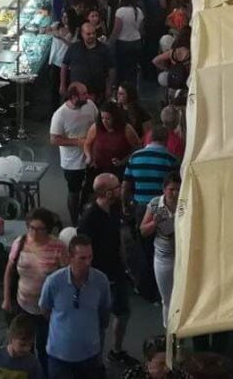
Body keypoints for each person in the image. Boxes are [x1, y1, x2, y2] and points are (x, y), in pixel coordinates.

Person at [77, 173, 135, 367]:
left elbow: (119, 236)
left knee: (123, 313)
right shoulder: (89, 218)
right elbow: (82, 252)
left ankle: (116, 351)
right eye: (118, 187)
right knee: (98, 322)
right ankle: (95, 359)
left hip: (116, 271)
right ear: (108, 193)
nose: (121, 189)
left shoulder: (116, 207)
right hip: (97, 275)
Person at [39, 234, 111, 379]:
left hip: (90, 354)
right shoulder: (54, 282)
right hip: (59, 355)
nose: (88, 262)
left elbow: (104, 313)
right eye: (82, 258)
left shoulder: (101, 281)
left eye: (90, 257)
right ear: (70, 257)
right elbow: (45, 309)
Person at [4, 207, 66, 373]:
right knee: (23, 347)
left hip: (47, 310)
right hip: (23, 304)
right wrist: (6, 298)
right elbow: (9, 271)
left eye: (40, 229)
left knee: (45, 347)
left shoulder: (58, 247)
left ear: (48, 229)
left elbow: (65, 279)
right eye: (31, 228)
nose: (34, 232)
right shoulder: (20, 242)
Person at [50, 82, 99, 226]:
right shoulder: (60, 115)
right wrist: (78, 142)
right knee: (74, 191)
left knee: (90, 188)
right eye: (83, 94)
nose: (87, 96)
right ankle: (74, 221)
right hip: (71, 162)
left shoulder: (90, 105)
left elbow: (97, 123)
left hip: (91, 156)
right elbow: (54, 139)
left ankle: (86, 216)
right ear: (73, 97)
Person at [140, 171, 180, 327]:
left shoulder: (186, 203)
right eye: (171, 189)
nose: (175, 193)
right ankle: (169, 331)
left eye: (178, 189)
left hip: (183, 256)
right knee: (168, 299)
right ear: (164, 189)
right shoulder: (155, 204)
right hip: (164, 257)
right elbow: (143, 230)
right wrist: (154, 223)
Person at [122, 126, 179, 226]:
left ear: (151, 138)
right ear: (166, 139)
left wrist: (124, 204)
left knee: (142, 236)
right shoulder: (171, 159)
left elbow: (125, 185)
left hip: (140, 204)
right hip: (162, 205)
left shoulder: (135, 156)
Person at [60, 22, 112, 101]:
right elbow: (64, 65)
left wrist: (108, 88)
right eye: (88, 34)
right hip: (76, 93)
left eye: (93, 33)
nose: (92, 36)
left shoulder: (104, 49)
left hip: (96, 93)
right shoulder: (74, 48)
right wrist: (62, 84)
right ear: (82, 34)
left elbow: (111, 69)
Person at [0, 313, 45, 379]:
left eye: (30, 344)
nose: (27, 349)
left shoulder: (33, 363)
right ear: (10, 337)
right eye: (22, 344)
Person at [111, 0, 145, 88]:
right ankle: (132, 89)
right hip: (136, 42)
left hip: (123, 43)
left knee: (121, 69)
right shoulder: (139, 11)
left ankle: (121, 89)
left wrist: (110, 42)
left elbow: (117, 30)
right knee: (133, 69)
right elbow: (141, 29)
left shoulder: (120, 11)